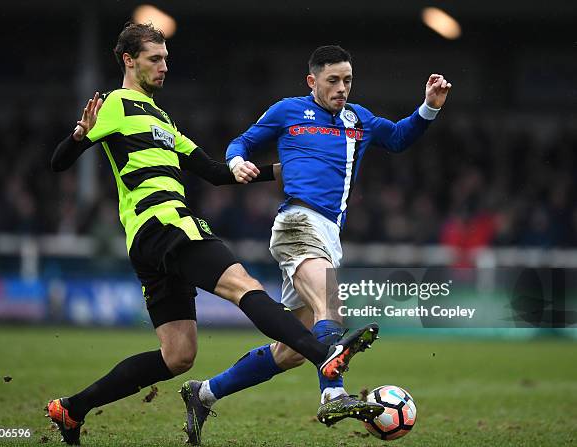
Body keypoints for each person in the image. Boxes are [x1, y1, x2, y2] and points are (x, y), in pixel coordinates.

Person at [44, 25, 378, 445]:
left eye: (165, 58)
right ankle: (324, 356)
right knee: (246, 286)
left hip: (148, 242)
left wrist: (285, 170)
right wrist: (77, 137)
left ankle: (70, 409)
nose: (164, 66)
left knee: (178, 356)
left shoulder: (163, 119)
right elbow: (59, 162)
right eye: (155, 59)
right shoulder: (113, 105)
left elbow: (215, 172)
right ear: (128, 61)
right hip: (166, 226)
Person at [182, 45, 452, 443]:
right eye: (333, 81)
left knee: (291, 350)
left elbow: (397, 138)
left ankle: (204, 393)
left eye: (347, 80)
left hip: (328, 233)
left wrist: (429, 107)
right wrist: (237, 161)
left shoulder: (360, 119)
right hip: (297, 223)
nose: (341, 88)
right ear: (312, 81)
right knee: (332, 303)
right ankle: (333, 394)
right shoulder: (288, 110)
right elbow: (243, 141)